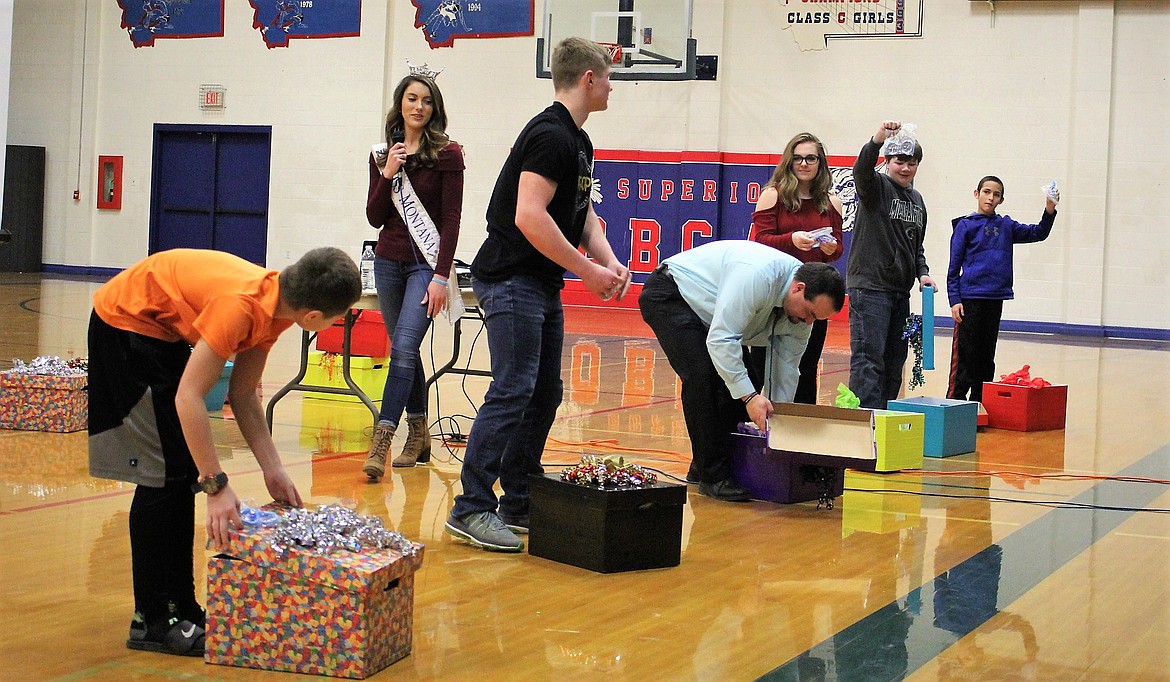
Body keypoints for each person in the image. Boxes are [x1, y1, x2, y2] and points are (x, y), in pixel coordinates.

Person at [88, 247, 361, 657]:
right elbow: (189, 398)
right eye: (338, 319)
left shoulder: (277, 305)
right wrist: (216, 486)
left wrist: (273, 469)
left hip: (160, 330)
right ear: (313, 319)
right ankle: (152, 620)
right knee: (162, 475)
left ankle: (182, 606)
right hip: (125, 325)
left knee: (181, 472)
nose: (336, 325)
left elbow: (244, 393)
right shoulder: (241, 306)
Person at [444, 37, 629, 552]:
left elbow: (579, 211)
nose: (613, 86)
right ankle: (471, 507)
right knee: (514, 387)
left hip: (540, 283)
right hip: (511, 279)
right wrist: (587, 272)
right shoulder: (551, 134)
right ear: (589, 79)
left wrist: (607, 257)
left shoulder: (579, 142)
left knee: (543, 391)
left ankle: (519, 499)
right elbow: (529, 214)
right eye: (608, 77)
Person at [639, 240, 845, 502]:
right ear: (798, 288)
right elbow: (722, 340)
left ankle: (705, 466)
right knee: (704, 377)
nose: (809, 322)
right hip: (672, 295)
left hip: (711, 315)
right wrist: (749, 398)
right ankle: (712, 477)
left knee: (747, 381)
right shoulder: (758, 276)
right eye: (809, 313)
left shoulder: (802, 314)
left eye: (816, 319)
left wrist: (773, 421)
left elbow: (786, 369)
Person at [362, 72, 464, 478]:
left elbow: (451, 222)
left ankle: (382, 439)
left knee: (403, 349)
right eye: (411, 99)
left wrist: (441, 277)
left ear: (434, 108)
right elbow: (374, 217)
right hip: (388, 262)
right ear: (400, 105)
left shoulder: (448, 154)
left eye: (426, 100)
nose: (418, 106)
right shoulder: (384, 154)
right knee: (406, 350)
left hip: (426, 266)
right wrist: (387, 173)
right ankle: (420, 430)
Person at [748, 132, 844, 404]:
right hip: (776, 293)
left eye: (810, 158)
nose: (804, 164)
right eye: (798, 158)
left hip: (814, 295)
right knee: (761, 365)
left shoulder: (831, 201)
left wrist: (829, 248)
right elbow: (760, 242)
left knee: (807, 366)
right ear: (789, 161)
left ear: (819, 162)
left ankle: (800, 429)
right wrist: (791, 240)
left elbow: (837, 249)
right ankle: (751, 425)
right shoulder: (772, 196)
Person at [846, 120, 936, 409]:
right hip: (870, 288)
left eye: (912, 162)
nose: (905, 168)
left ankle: (885, 416)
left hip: (900, 292)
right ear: (887, 162)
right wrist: (877, 140)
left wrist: (922, 274)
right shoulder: (876, 188)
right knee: (868, 358)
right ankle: (864, 423)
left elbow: (915, 246)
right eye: (899, 161)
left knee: (895, 360)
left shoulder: (918, 201)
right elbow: (861, 170)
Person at [946, 176, 1058, 402]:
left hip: (995, 298)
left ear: (1001, 199)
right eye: (986, 192)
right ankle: (954, 403)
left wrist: (1049, 209)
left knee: (986, 356)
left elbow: (1039, 233)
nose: (990, 197)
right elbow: (953, 267)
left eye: (996, 195)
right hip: (970, 300)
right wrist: (954, 299)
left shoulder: (1006, 226)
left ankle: (979, 403)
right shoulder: (965, 226)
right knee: (965, 355)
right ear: (976, 193)